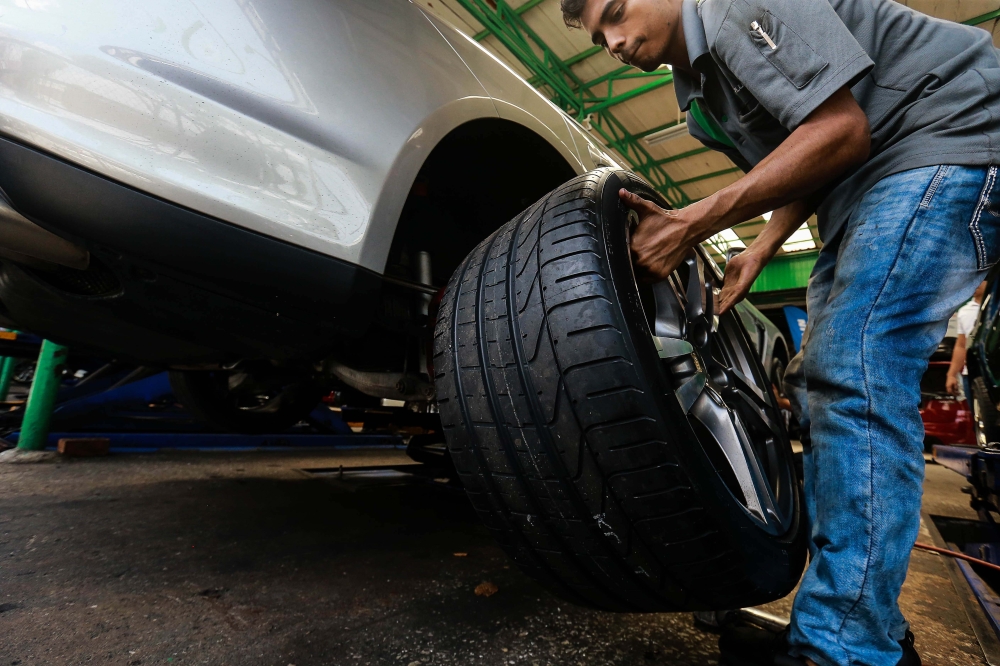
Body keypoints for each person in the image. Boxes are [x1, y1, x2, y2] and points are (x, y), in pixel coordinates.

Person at [559, 0, 1000, 664]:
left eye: (616, 12)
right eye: (598, 37)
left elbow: (841, 131)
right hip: (868, 183)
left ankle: (845, 648)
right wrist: (761, 248)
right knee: (821, 385)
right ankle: (858, 622)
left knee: (855, 372)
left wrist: (695, 220)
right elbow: (809, 152)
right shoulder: (699, 97)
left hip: (944, 135)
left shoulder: (734, 6)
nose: (613, 42)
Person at [946, 280, 989, 408]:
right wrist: (951, 374)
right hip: (971, 375)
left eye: (979, 280)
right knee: (978, 416)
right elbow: (961, 345)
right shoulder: (964, 311)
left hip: (993, 372)